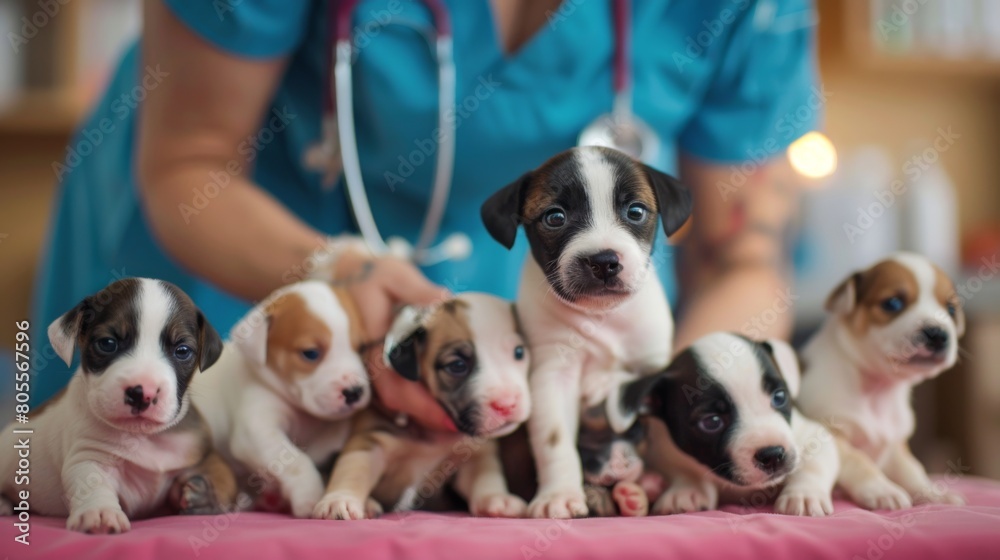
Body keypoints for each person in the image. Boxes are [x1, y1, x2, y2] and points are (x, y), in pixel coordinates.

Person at [32, 0, 820, 430]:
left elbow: (740, 255)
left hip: (523, 313)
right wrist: (337, 274)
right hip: (238, 271)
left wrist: (674, 404)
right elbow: (191, 163)